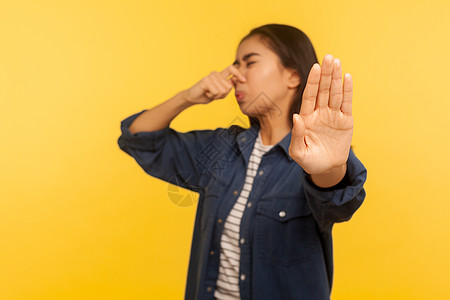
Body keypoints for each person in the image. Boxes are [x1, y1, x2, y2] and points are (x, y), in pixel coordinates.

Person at [117, 23, 367, 300]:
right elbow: (138, 139)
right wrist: (187, 97)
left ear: (293, 76)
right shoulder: (221, 150)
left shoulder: (318, 155)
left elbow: (338, 203)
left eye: (250, 63)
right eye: (235, 65)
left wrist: (329, 169)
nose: (235, 74)